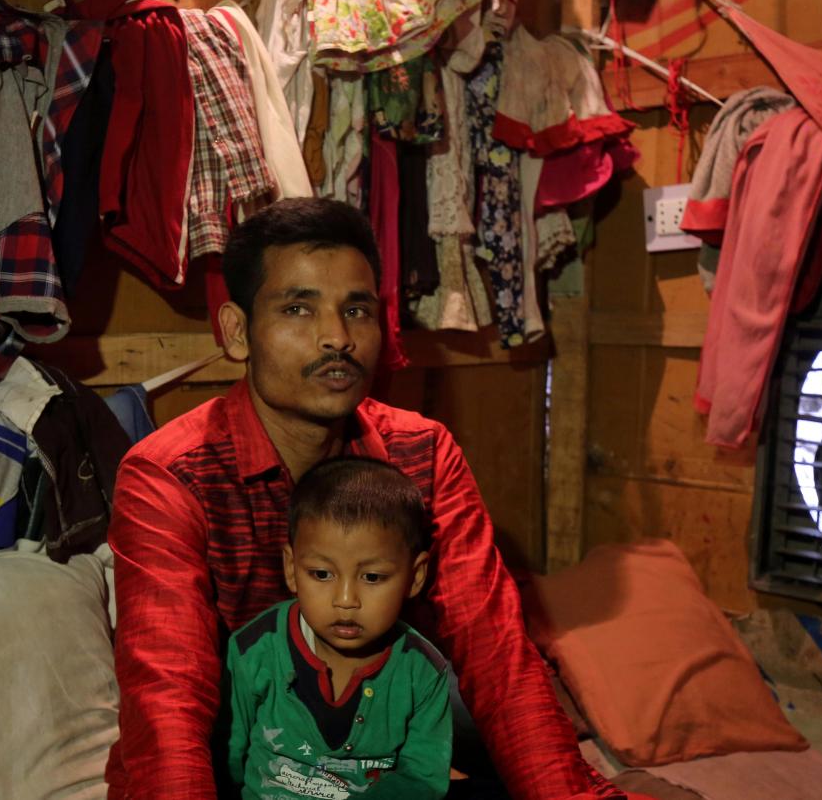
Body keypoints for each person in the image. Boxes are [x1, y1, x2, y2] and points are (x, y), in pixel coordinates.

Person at [106, 197, 621, 800]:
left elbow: (495, 653)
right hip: (250, 749)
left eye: (357, 309)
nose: (338, 338)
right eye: (298, 308)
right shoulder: (169, 474)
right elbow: (169, 700)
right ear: (238, 332)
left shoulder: (422, 451)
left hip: (381, 735)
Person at [225, 456, 451, 799]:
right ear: (291, 568)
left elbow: (422, 781)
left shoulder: (423, 673)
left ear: (415, 576)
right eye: (321, 574)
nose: (345, 600)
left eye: (372, 577)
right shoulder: (254, 649)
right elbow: (228, 758)